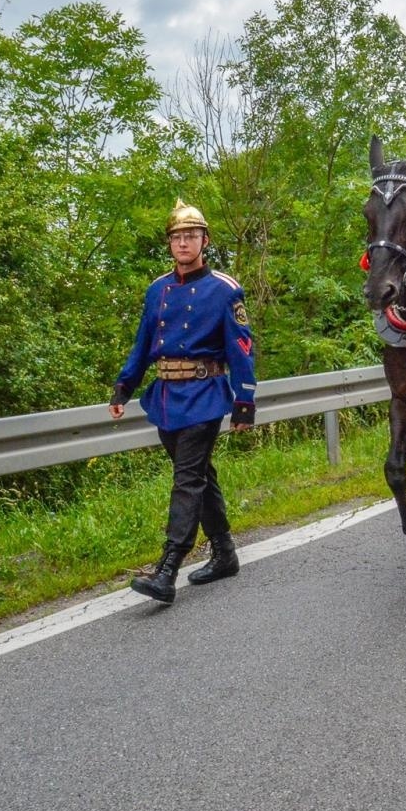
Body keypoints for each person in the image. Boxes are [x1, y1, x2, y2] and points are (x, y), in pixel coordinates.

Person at [110, 200, 258, 604]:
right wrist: (124, 386)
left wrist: (245, 401)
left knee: (186, 479)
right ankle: (225, 553)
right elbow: (143, 344)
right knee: (199, 476)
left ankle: (167, 569)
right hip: (165, 399)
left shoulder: (225, 289)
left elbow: (242, 348)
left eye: (191, 236)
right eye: (177, 237)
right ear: (169, 243)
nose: (183, 243)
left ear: (204, 241)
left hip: (205, 396)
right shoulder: (157, 290)